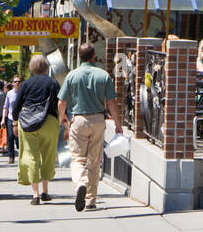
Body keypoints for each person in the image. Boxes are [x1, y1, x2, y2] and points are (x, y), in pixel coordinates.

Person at [58, 41, 124, 212]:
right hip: (98, 120)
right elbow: (111, 102)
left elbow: (62, 102)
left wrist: (63, 119)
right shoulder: (103, 75)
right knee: (94, 161)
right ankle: (91, 200)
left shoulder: (72, 75)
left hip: (79, 120)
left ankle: (80, 183)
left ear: (79, 57)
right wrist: (118, 125)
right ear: (94, 55)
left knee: (78, 159)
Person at [12, 55, 61, 204]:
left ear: (31, 68)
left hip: (28, 123)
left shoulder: (26, 84)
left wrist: (15, 122)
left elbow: (17, 105)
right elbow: (60, 102)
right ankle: (46, 191)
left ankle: (35, 194)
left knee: (30, 155)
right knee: (48, 155)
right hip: (49, 121)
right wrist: (63, 118)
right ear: (46, 67)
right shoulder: (53, 82)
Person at [3, 75, 21, 166]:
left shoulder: (23, 93)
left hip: (21, 119)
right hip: (10, 118)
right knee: (10, 137)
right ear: (13, 83)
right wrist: (3, 119)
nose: (17, 83)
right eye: (15, 81)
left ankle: (22, 156)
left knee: (20, 139)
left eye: (19, 81)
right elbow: (5, 107)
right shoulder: (9, 93)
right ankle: (11, 157)